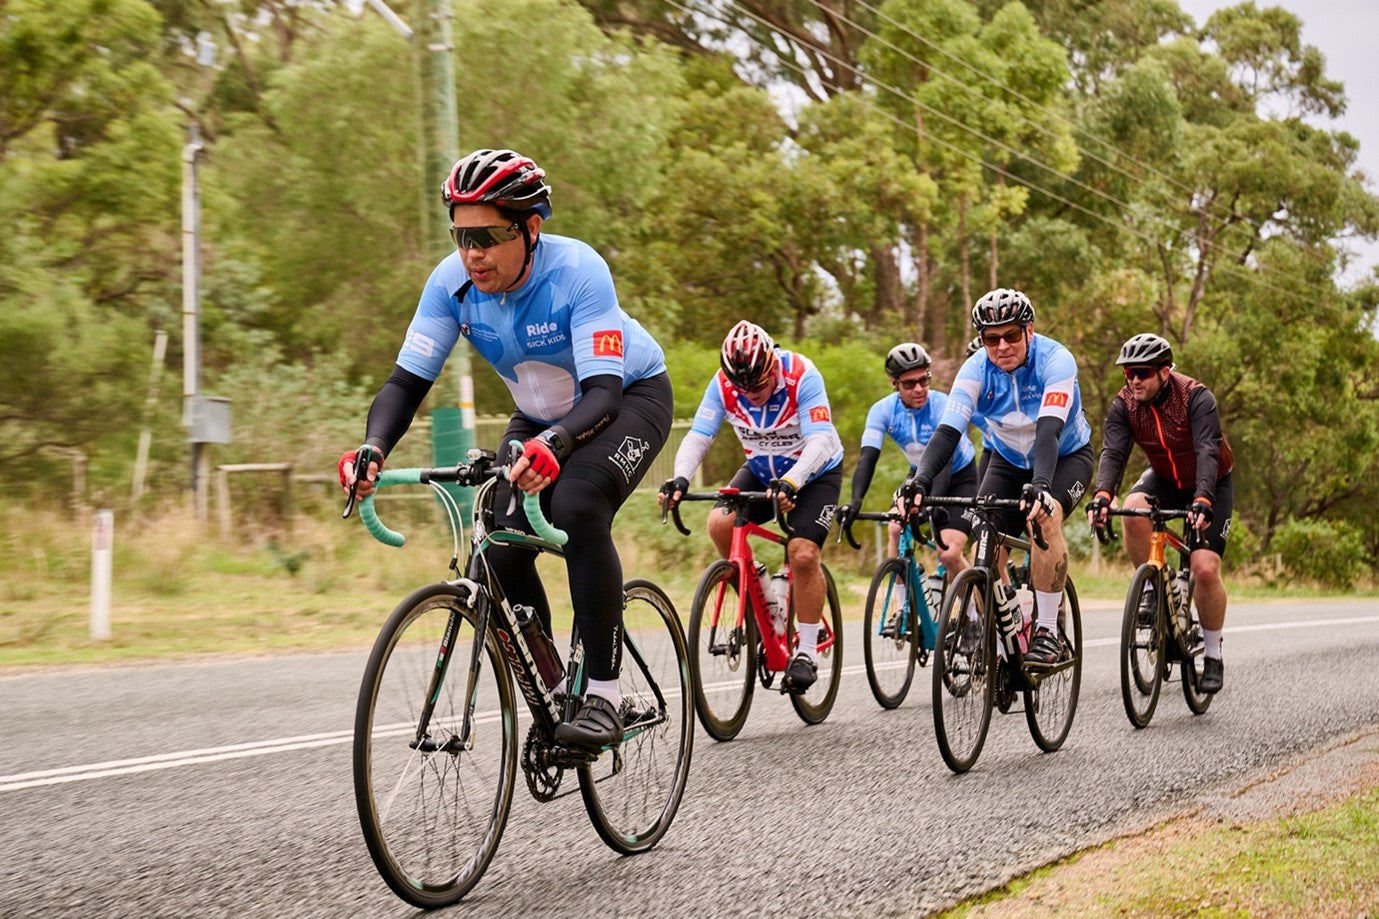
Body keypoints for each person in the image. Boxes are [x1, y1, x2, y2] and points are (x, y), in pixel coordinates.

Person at [338, 148, 673, 749]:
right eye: (462, 236)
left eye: (489, 236)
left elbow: (601, 394)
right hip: (540, 412)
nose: (473, 253)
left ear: (531, 228)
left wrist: (556, 443)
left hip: (625, 397)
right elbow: (405, 384)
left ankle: (603, 694)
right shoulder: (452, 284)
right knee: (497, 541)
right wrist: (373, 447)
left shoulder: (578, 271)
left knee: (575, 505)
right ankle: (552, 696)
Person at [902, 288, 1094, 667]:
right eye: (992, 339)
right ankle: (1006, 623)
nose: (1002, 345)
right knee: (984, 549)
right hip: (1007, 461)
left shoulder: (1056, 360)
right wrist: (920, 480)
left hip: (1065, 456)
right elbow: (947, 432)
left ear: (1029, 330)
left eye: (1010, 335)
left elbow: (1049, 430)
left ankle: (1047, 632)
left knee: (1044, 516)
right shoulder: (975, 369)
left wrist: (1041, 486)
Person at [659, 320, 843, 692]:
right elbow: (699, 436)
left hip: (814, 470)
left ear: (772, 364)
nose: (750, 394)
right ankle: (761, 589)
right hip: (761, 470)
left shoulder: (801, 373)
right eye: (742, 387)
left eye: (757, 384)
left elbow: (821, 439)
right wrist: (680, 477)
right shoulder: (724, 385)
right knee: (719, 524)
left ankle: (805, 651)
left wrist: (795, 480)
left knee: (803, 554)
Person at [1087, 333, 1233, 693]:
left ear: (1164, 372)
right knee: (1133, 511)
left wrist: (1202, 500)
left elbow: (1207, 451)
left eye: (1142, 372)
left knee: (1204, 568)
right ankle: (1153, 587)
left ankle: (1212, 654)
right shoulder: (1125, 404)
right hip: (1165, 477)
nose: (1133, 380)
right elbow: (1114, 453)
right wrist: (1103, 495)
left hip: (1210, 479)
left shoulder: (1196, 397)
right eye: (1128, 373)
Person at [836, 343, 976, 579]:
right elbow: (867, 458)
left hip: (959, 476)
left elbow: (945, 461)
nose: (919, 389)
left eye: (924, 380)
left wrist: (934, 503)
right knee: (895, 527)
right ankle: (901, 607)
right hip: (919, 475)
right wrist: (856, 501)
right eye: (910, 384)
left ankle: (972, 607)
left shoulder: (943, 404)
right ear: (894, 383)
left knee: (948, 554)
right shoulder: (882, 411)